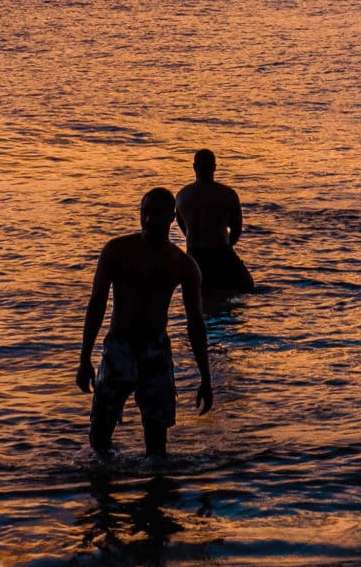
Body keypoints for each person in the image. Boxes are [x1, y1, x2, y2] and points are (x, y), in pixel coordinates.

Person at [79, 187, 213, 459]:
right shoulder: (117, 250)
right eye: (145, 213)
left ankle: (156, 496)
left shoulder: (182, 264)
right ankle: (103, 496)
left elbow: (195, 323)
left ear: (172, 218)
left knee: (157, 449)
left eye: (157, 215)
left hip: (156, 354)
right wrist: (84, 358)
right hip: (118, 350)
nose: (149, 220)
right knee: (99, 439)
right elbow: (97, 304)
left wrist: (206, 377)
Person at [175, 149, 254, 295]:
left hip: (194, 255)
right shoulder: (227, 194)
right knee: (248, 288)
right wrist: (226, 247)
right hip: (220, 253)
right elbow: (236, 230)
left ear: (194, 167)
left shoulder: (181, 195)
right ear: (214, 167)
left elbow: (183, 227)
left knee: (200, 299)